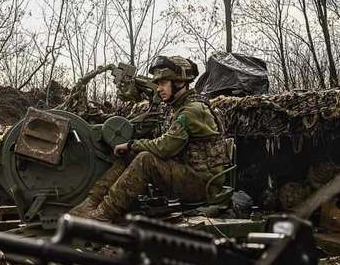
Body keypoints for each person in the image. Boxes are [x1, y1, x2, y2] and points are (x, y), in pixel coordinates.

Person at [69, 55, 232, 222]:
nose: (159, 88)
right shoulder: (181, 107)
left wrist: (133, 144)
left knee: (145, 160)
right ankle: (91, 202)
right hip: (191, 175)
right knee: (130, 154)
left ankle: (103, 214)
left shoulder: (191, 110)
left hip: (203, 184)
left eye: (163, 83)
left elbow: (165, 147)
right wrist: (132, 147)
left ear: (178, 83)